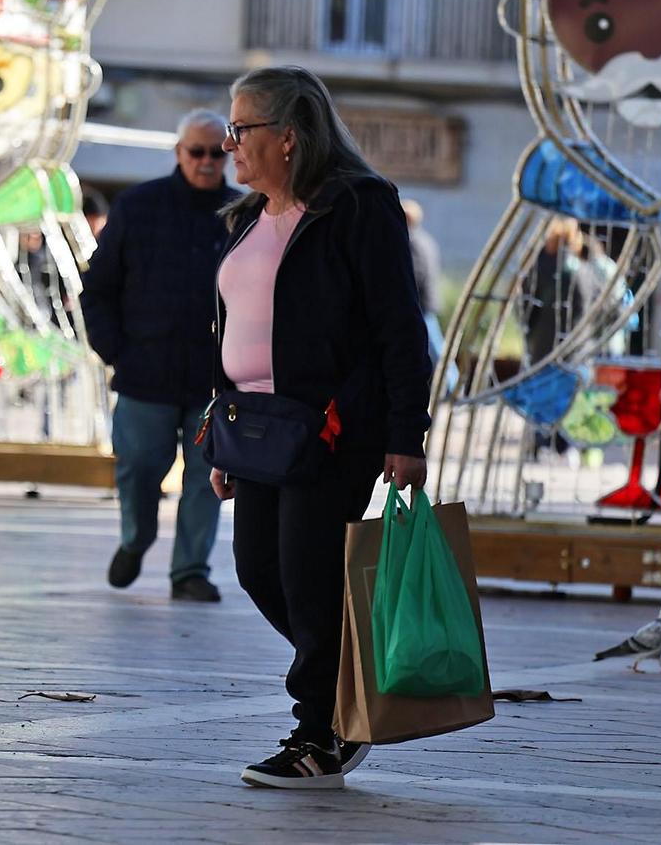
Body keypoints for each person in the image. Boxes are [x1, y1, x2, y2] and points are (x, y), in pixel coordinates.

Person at [209, 66, 430, 788]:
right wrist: (222, 430)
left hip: (332, 430)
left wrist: (406, 434)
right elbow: (233, 328)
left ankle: (319, 737)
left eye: (242, 128)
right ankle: (347, 697)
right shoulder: (245, 218)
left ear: (289, 136)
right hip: (259, 428)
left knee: (307, 575)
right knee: (258, 569)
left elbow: (400, 329)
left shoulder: (358, 206)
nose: (230, 142)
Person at [81, 109, 238, 601]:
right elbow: (98, 288)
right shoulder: (138, 206)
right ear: (179, 153)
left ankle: (190, 570)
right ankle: (136, 538)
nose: (208, 161)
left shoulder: (243, 212)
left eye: (217, 152)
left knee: (206, 478)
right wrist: (115, 351)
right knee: (140, 467)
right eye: (198, 151)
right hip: (144, 370)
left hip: (213, 378)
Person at [524, 218, 586, 457]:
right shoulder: (578, 268)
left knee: (540, 392)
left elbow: (526, 303)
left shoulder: (539, 265)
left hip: (541, 341)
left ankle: (538, 441)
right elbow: (585, 309)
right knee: (565, 395)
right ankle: (564, 444)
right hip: (570, 345)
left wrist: (529, 331)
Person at [401, 198, 456, 393]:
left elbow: (416, 273)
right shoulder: (426, 240)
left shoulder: (412, 242)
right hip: (426, 301)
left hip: (420, 303)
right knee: (435, 347)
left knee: (436, 348)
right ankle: (453, 386)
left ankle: (454, 387)